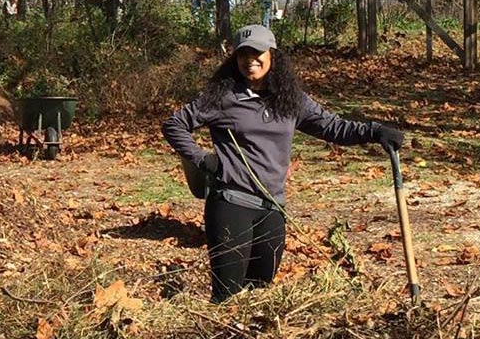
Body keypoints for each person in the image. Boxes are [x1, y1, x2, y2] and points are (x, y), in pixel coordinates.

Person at [162, 24, 404, 303]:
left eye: (257, 53)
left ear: (272, 56)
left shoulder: (290, 99)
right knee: (227, 299)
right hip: (231, 204)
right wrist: (202, 159)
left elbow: (333, 127)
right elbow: (175, 124)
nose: (250, 60)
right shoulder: (224, 98)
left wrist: (375, 131)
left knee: (260, 295)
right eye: (243, 54)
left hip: (272, 207)